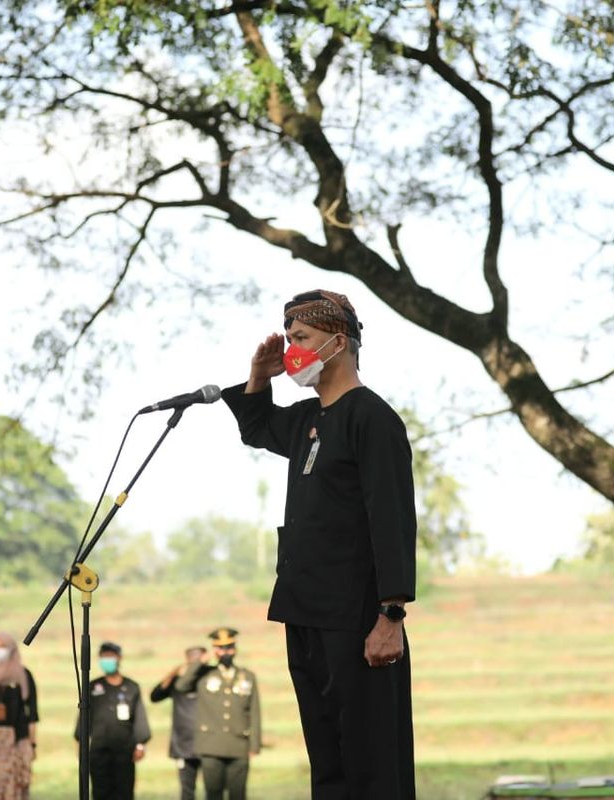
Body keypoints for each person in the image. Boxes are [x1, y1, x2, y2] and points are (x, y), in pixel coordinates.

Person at [221, 289, 417, 799]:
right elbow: (258, 426)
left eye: (302, 338)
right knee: (327, 760)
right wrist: (260, 377)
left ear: (339, 340)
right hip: (305, 612)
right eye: (288, 338)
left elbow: (392, 520)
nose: (293, 350)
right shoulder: (308, 419)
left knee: (369, 757)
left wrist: (390, 615)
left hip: (356, 618)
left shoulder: (371, 419)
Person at [174, 628, 261, 800]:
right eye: (220, 648)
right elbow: (181, 686)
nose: (225, 652)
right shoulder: (204, 675)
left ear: (235, 648)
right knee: (213, 794)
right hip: (210, 746)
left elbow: (255, 711)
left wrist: (254, 744)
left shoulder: (247, 676)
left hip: (238, 745)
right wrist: (199, 663)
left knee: (238, 794)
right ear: (214, 650)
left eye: (229, 647)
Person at [75, 641, 151, 800]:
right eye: (103, 657)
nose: (107, 660)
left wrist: (140, 744)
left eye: (110, 656)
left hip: (124, 751)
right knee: (100, 792)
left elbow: (139, 717)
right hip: (99, 751)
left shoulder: (131, 687)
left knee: (124, 792)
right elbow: (83, 720)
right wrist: (80, 746)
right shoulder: (92, 687)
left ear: (119, 658)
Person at [0, 632, 39, 800]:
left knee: (17, 786)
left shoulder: (23, 676)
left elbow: (31, 713)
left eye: (2, 646)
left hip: (18, 738)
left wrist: (32, 744)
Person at [150, 645, 208, 799]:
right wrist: (173, 672)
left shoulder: (209, 678)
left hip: (209, 741)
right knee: (187, 790)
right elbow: (155, 696)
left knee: (213, 789)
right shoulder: (177, 681)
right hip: (184, 744)